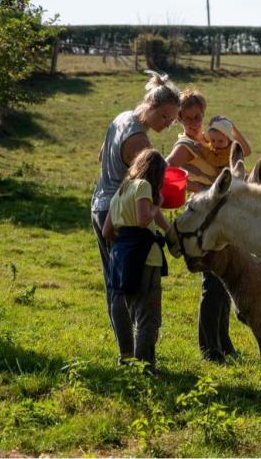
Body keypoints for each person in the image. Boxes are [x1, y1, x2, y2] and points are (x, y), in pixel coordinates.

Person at [90, 70, 179, 363]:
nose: (167, 124)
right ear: (151, 106)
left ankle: (126, 351)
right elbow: (149, 187)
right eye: (164, 116)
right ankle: (136, 355)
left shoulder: (122, 118)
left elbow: (102, 155)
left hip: (101, 205)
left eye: (172, 120)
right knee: (131, 284)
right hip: (123, 214)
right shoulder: (140, 140)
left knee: (114, 280)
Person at [166, 87, 251, 363]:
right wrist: (196, 187)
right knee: (212, 285)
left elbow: (243, 152)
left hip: (219, 220)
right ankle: (210, 349)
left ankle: (224, 344)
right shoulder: (184, 146)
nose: (194, 122)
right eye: (188, 117)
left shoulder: (207, 140)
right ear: (179, 118)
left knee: (222, 283)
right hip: (202, 222)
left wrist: (230, 127)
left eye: (198, 116)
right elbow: (165, 169)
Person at [102, 149, 169, 370]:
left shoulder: (121, 191)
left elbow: (107, 231)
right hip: (146, 258)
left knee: (128, 308)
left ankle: (127, 357)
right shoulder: (144, 186)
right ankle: (145, 365)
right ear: (157, 173)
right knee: (147, 315)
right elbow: (143, 219)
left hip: (121, 258)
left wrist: (126, 243)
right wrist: (158, 204)